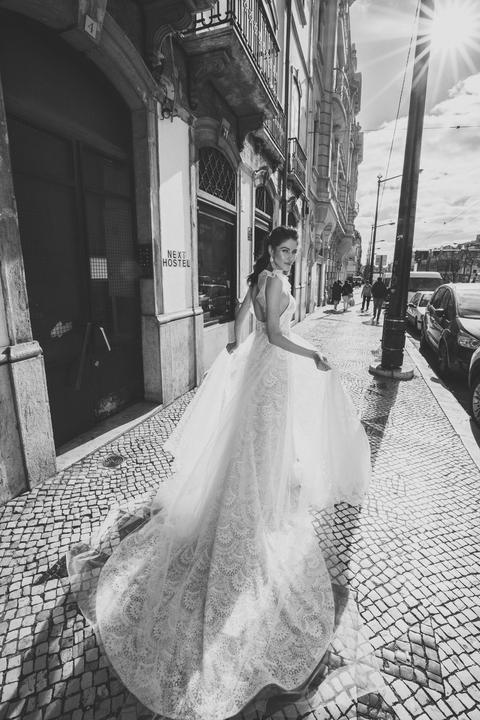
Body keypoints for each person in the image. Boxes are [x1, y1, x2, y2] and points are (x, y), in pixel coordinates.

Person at [67, 227, 380, 720]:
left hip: (262, 372)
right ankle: (249, 517)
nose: (291, 256)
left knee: (251, 448)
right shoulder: (273, 280)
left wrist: (241, 353)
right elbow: (273, 334)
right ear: (271, 250)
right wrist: (313, 354)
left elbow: (241, 324)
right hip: (271, 372)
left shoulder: (259, 279)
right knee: (260, 448)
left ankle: (245, 507)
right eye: (285, 250)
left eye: (294, 251)